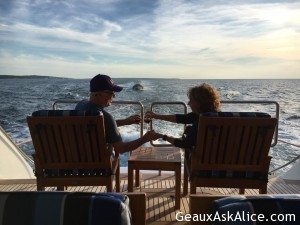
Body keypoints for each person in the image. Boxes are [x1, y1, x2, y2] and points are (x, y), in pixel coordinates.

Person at [75, 74, 160, 154]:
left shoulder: (80, 105)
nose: (114, 96)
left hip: (75, 163)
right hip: (99, 167)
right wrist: (145, 138)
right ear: (98, 94)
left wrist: (125, 121)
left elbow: (102, 125)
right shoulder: (106, 117)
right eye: (111, 93)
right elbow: (121, 149)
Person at [145, 83, 221, 149]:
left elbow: (184, 144)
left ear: (199, 103)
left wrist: (161, 136)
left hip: (200, 162)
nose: (188, 103)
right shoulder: (222, 117)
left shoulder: (201, 120)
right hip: (223, 162)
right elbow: (182, 118)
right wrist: (156, 116)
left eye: (191, 100)